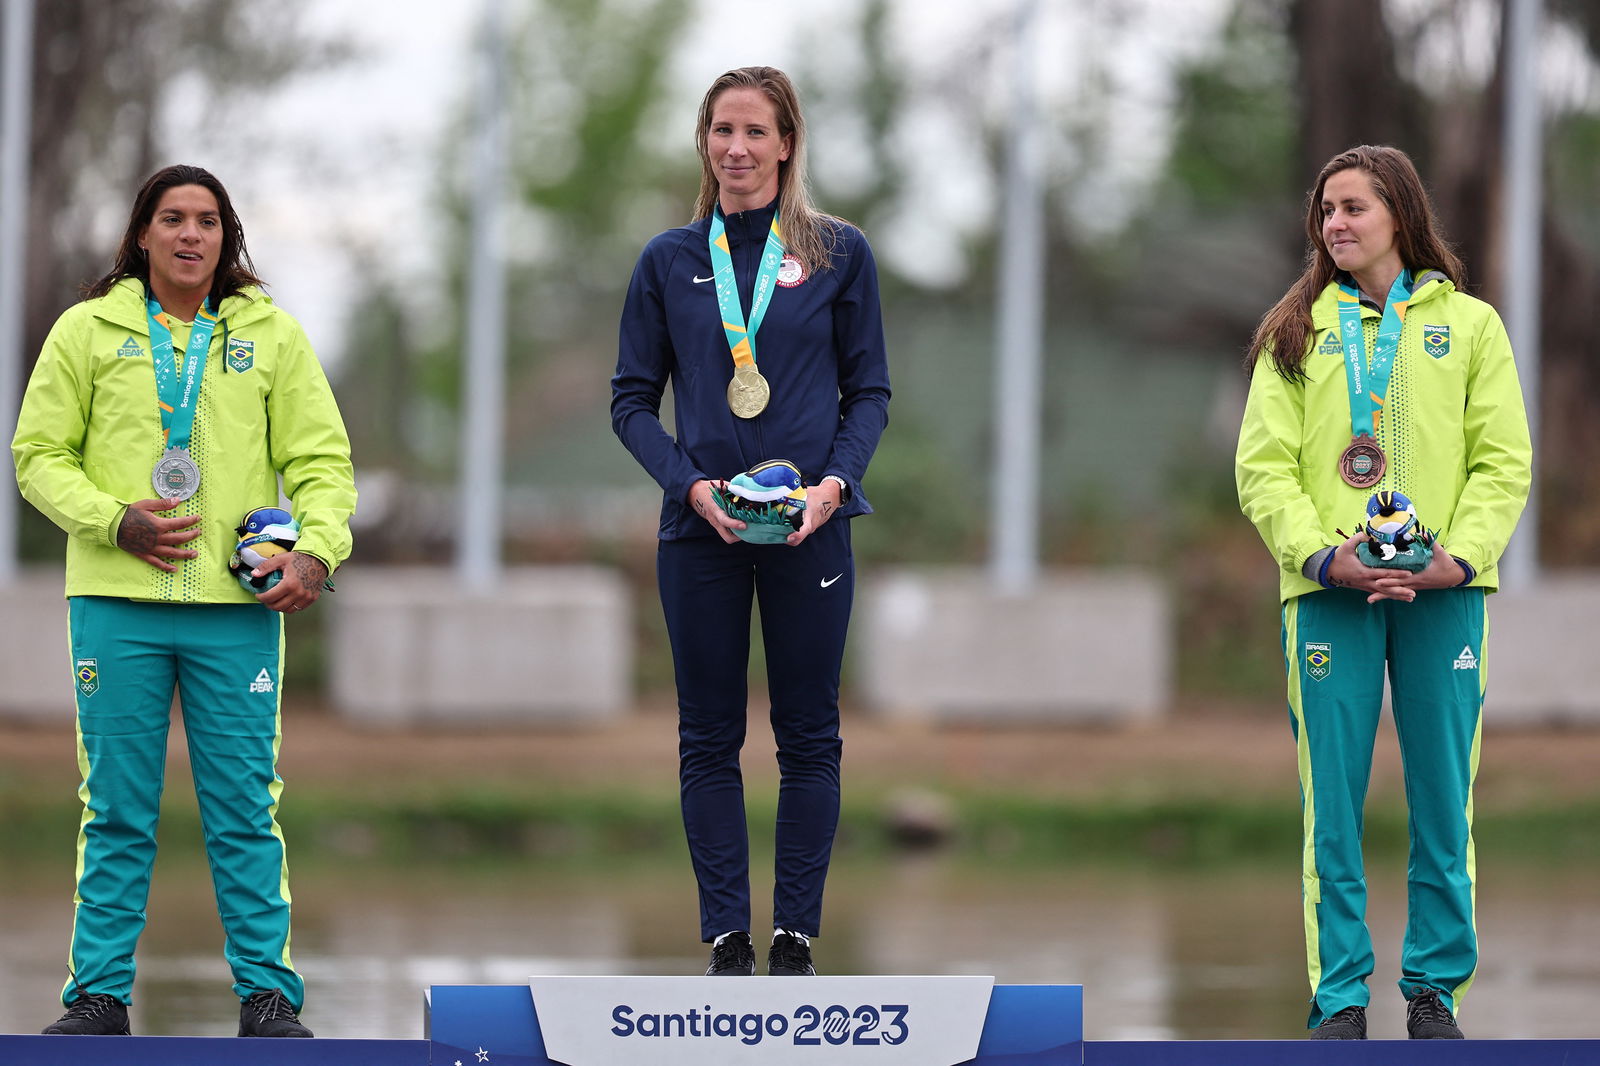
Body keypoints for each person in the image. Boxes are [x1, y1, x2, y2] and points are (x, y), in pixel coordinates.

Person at [12, 164, 356, 1038]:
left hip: (234, 615)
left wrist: (316, 553)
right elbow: (37, 454)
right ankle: (97, 998)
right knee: (115, 807)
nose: (190, 235)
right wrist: (110, 520)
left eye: (208, 220)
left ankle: (268, 999)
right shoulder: (86, 331)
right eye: (173, 219)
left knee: (245, 807)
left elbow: (323, 462)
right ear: (142, 234)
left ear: (226, 237)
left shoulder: (269, 336)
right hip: (117, 602)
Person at [1236, 145, 1531, 1040]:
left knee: (1445, 799)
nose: (1335, 224)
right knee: (1332, 805)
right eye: (1326, 210)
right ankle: (1341, 998)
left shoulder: (1471, 326)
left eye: (1354, 208)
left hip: (1445, 592)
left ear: (1399, 213)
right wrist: (1322, 557)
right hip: (1329, 594)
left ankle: (1434, 992)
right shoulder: (1295, 331)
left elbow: (1502, 462)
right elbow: (1264, 471)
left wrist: (1460, 555)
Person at [611, 66, 890, 978]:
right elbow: (630, 404)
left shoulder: (841, 253)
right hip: (703, 534)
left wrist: (833, 488)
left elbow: (870, 392)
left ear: (787, 144)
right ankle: (729, 940)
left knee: (809, 734)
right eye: (721, 131)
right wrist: (692, 489)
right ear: (705, 143)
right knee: (708, 735)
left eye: (755, 132)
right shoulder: (668, 261)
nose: (737, 148)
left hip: (812, 529)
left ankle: (797, 938)